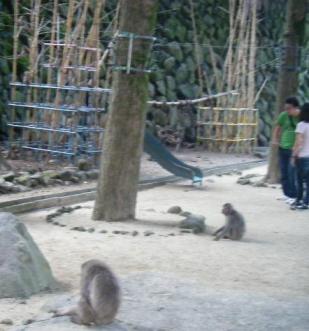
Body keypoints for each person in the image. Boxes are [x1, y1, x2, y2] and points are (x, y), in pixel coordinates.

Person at [272, 97, 300, 204]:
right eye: (286, 108)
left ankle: (293, 195)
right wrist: (275, 139)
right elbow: (278, 127)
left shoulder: (303, 117)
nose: (287, 110)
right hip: (283, 147)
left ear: (296, 107)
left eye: (289, 108)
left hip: (294, 149)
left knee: (291, 173)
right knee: (284, 173)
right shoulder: (284, 115)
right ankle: (286, 194)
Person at [291, 103, 309, 210]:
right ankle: (307, 202)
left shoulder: (301, 125)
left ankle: (298, 201)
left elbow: (299, 142)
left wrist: (294, 155)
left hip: (302, 157)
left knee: (299, 180)